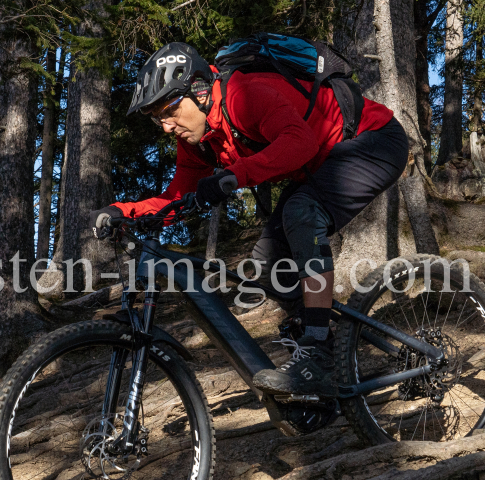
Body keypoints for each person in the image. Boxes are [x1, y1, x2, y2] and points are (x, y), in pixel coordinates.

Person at [89, 42, 409, 399]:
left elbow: (298, 143)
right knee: (269, 265)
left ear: (198, 90)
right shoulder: (198, 141)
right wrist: (122, 212)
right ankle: (320, 364)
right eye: (156, 117)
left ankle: (318, 350)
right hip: (322, 164)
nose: (166, 126)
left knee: (301, 212)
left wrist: (234, 176)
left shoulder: (244, 95)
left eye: (170, 110)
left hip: (375, 141)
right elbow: (175, 199)